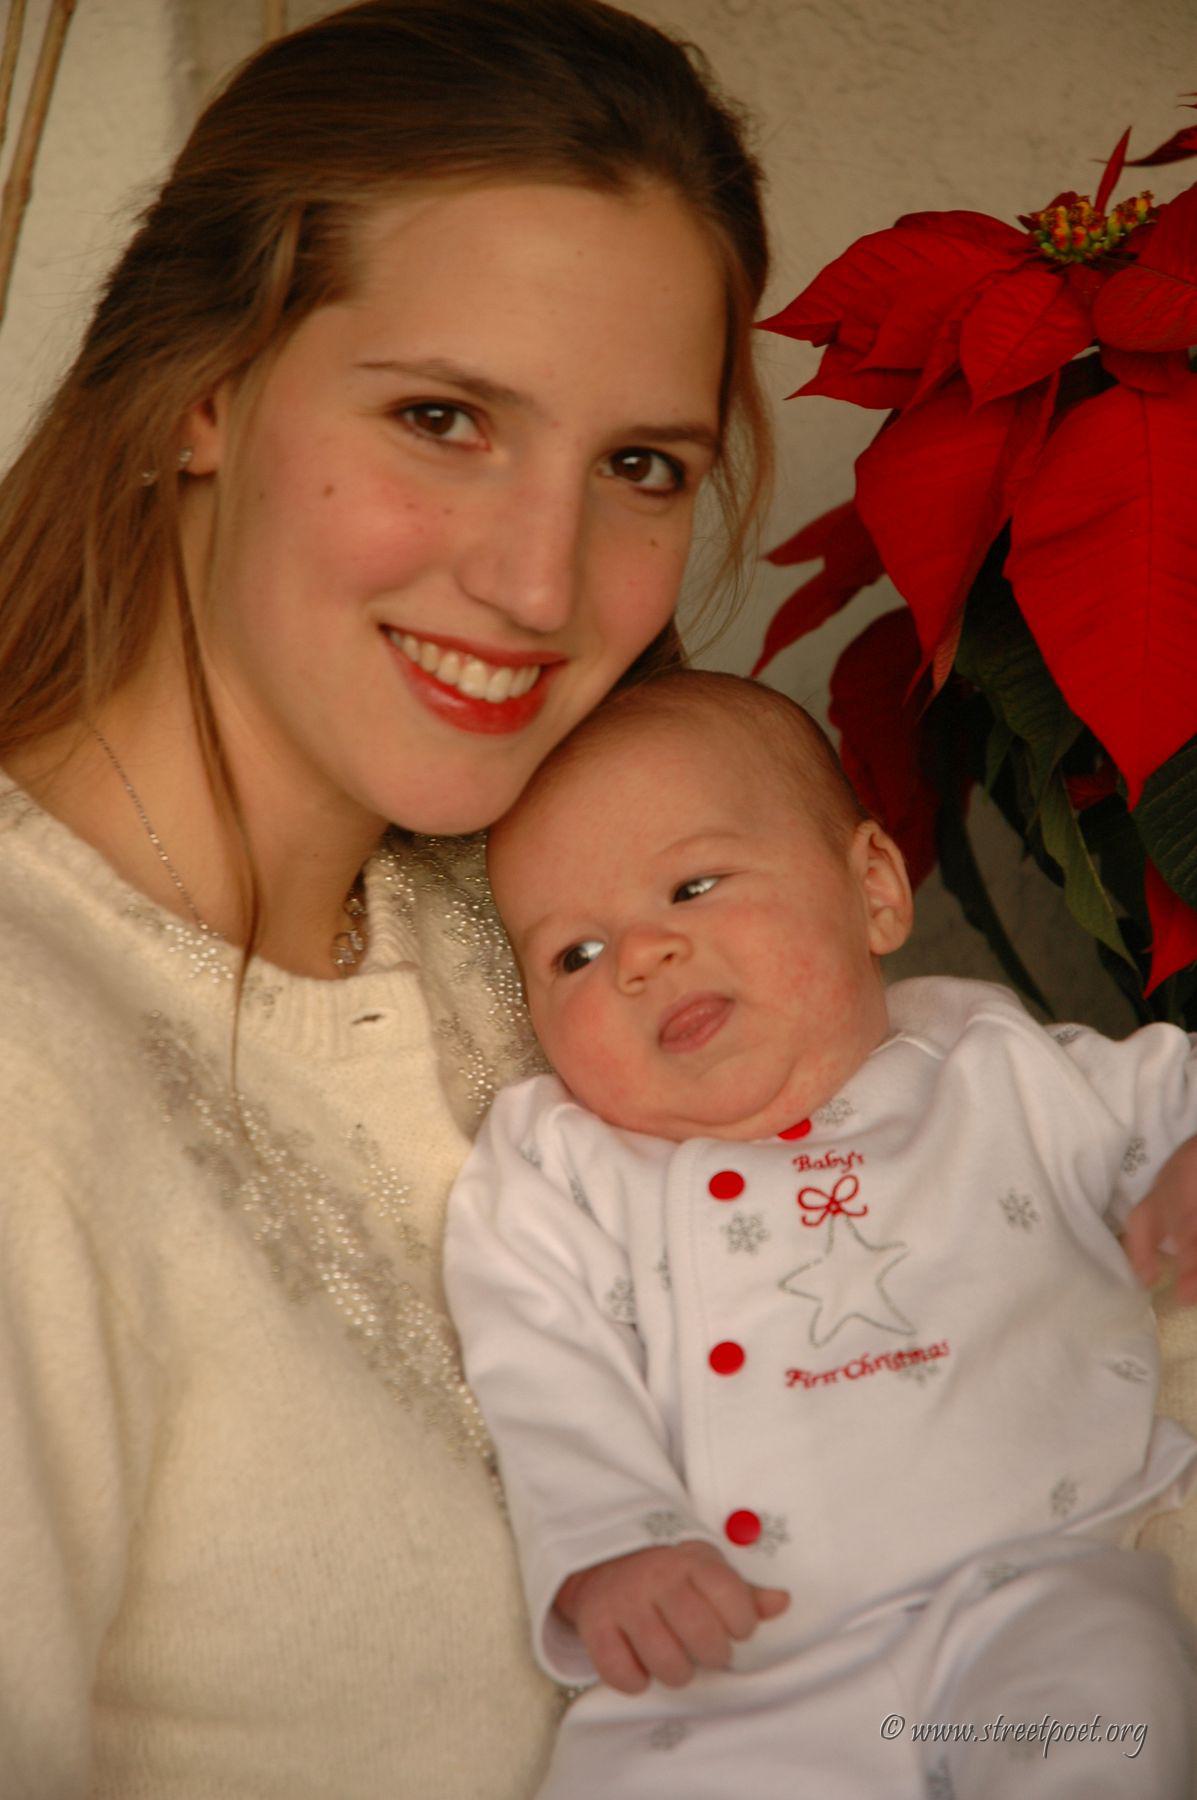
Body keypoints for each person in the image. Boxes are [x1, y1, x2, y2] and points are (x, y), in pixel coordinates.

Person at [0, 5, 772, 1794]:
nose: (539, 583)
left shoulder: (567, 936)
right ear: (202, 392)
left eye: (640, 466)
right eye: (444, 419)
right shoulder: (25, 1068)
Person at [445, 669, 1197, 1799]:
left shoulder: (995, 1066)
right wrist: (612, 1542)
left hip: (1039, 1580)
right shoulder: (566, 1162)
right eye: (575, 957)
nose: (639, 955)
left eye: (693, 886)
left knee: (1113, 1723)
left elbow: (1174, 1092)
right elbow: (537, 1356)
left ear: (875, 890)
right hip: (738, 1662)